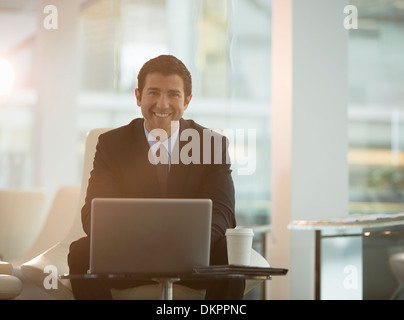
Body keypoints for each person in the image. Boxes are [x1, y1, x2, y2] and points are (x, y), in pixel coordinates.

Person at [67, 54, 245, 300]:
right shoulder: (112, 144)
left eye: (173, 94)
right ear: (138, 96)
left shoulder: (211, 144)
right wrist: (141, 241)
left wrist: (183, 245)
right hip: (129, 258)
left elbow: (223, 213)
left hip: (193, 260)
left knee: (229, 252)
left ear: (187, 101)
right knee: (80, 252)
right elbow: (92, 214)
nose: (162, 104)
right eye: (153, 93)